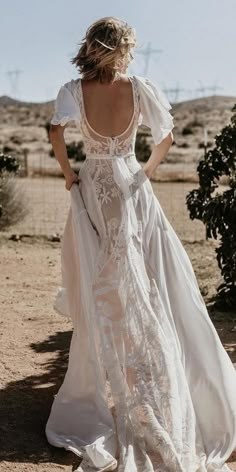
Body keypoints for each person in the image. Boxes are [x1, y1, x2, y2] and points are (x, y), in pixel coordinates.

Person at [45, 16, 236, 472]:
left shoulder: (74, 89)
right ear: (120, 48)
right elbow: (166, 137)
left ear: (92, 48)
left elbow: (56, 131)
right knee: (150, 281)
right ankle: (156, 380)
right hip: (132, 188)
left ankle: (118, 380)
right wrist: (143, 172)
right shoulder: (141, 88)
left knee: (104, 283)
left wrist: (70, 175)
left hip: (94, 190)